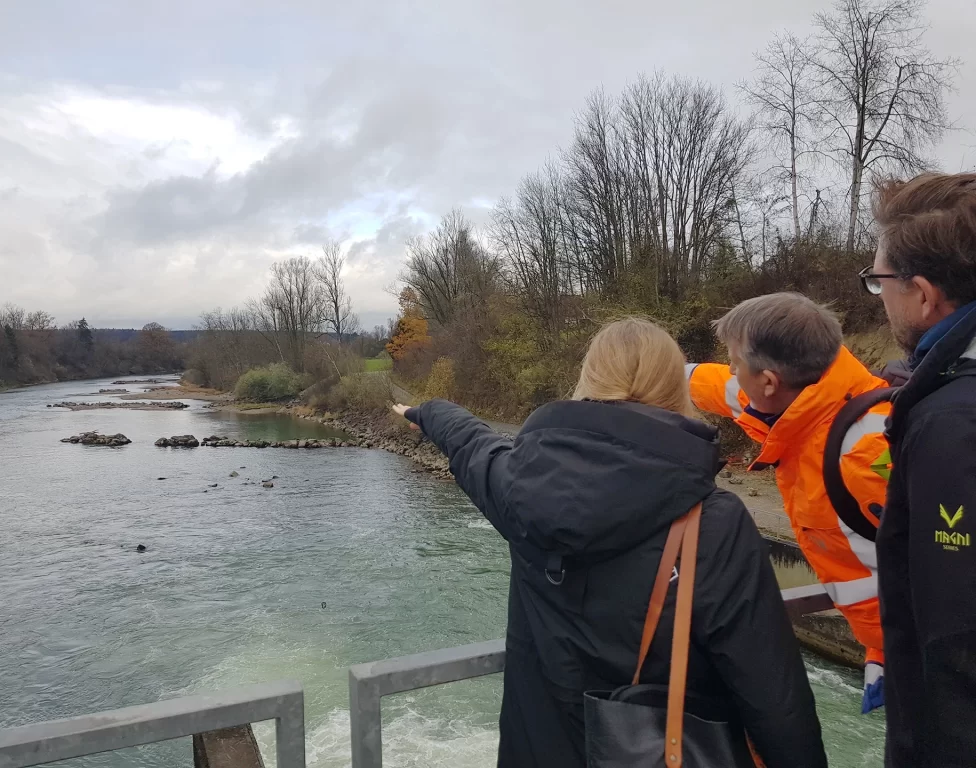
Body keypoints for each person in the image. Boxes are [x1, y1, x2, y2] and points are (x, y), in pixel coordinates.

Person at [392, 317, 827, 768]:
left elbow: (474, 445)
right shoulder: (713, 522)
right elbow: (775, 699)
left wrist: (427, 413)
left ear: (589, 379)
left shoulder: (519, 488)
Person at [686, 293, 889, 713]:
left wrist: (898, 657)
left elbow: (942, 569)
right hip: (883, 646)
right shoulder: (802, 395)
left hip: (922, 656)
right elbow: (715, 384)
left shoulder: (868, 457)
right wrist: (653, 371)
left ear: (768, 382)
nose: (731, 372)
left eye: (735, 363)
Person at [866, 172, 976, 768]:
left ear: (925, 295)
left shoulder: (950, 423)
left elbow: (955, 651)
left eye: (879, 281)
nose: (879, 295)